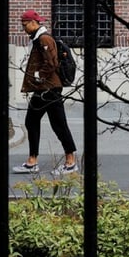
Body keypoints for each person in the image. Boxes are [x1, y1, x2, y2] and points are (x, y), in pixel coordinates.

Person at [13, 9, 79, 175]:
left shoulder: (44, 39)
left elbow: (51, 64)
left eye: (25, 24)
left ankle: (70, 161)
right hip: (43, 89)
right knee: (32, 122)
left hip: (49, 89)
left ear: (34, 23)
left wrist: (37, 76)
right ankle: (32, 161)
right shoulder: (37, 39)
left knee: (59, 125)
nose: (23, 28)